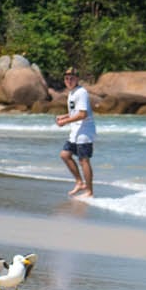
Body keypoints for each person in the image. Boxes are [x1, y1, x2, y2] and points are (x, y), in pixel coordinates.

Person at [56, 66, 95, 198]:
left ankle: (89, 191)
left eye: (71, 78)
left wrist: (65, 122)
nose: (69, 80)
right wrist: (64, 116)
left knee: (84, 160)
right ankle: (79, 182)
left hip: (84, 132)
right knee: (65, 155)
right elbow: (75, 111)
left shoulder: (81, 92)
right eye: (66, 78)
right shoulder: (72, 93)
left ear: (77, 79)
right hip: (75, 131)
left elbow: (83, 114)